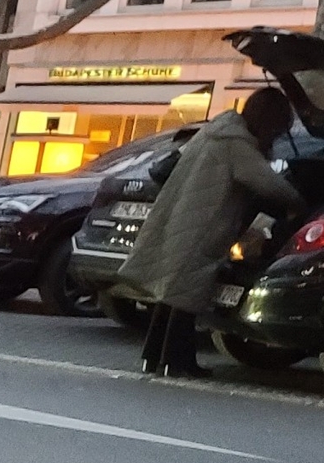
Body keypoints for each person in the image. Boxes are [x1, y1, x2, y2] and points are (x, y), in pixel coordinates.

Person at [116, 86, 302, 378]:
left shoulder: (215, 132)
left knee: (172, 294)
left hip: (184, 217)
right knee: (186, 295)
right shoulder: (236, 143)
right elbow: (267, 183)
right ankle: (179, 362)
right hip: (203, 223)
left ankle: (154, 357)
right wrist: (297, 201)